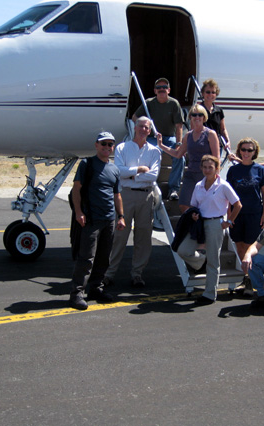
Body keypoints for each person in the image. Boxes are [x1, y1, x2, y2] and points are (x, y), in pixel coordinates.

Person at [69, 132, 126, 310]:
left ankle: (95, 288)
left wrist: (121, 216)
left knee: (103, 258)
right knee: (86, 258)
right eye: (104, 144)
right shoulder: (87, 164)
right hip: (91, 219)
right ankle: (76, 294)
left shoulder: (114, 169)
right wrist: (79, 212)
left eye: (110, 144)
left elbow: (117, 195)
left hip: (109, 220)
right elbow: (76, 189)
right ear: (96, 145)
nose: (107, 147)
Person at [103, 117, 161, 289]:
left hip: (146, 197)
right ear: (135, 128)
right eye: (141, 126)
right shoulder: (122, 147)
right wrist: (139, 170)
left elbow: (154, 175)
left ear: (149, 131)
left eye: (146, 127)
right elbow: (118, 172)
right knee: (119, 236)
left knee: (143, 238)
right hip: (126, 196)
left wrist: (132, 175)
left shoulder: (154, 151)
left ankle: (137, 274)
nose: (143, 129)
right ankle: (109, 273)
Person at [176, 154, 242, 305]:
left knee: (214, 261)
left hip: (215, 224)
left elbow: (237, 204)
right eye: (204, 167)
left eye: (210, 167)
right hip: (199, 224)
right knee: (182, 250)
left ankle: (209, 294)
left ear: (217, 168)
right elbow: (194, 205)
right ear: (201, 168)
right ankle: (200, 261)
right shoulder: (198, 185)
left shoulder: (223, 185)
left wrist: (229, 221)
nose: (207, 170)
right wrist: (193, 214)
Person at [226, 138, 264, 296]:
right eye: (243, 150)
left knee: (250, 248)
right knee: (239, 247)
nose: (246, 153)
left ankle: (252, 281)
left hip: (254, 214)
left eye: (249, 150)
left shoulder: (260, 170)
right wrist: (229, 217)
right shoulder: (233, 171)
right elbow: (228, 196)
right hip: (237, 216)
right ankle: (244, 279)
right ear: (239, 151)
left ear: (254, 152)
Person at [156, 104, 219, 213]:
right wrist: (161, 145)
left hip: (205, 174)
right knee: (184, 204)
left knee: (204, 206)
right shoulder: (188, 136)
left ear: (204, 117)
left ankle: (201, 228)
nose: (197, 117)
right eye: (194, 115)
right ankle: (192, 226)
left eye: (200, 115)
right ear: (190, 117)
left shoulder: (210, 134)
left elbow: (216, 158)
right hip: (190, 174)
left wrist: (214, 178)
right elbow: (178, 154)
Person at [132, 77, 184, 201]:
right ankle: (150, 185)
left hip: (169, 138)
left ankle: (173, 189)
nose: (162, 90)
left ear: (169, 90)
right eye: (159, 88)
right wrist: (145, 125)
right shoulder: (149, 103)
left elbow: (179, 126)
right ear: (155, 91)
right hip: (153, 137)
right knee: (152, 152)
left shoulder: (174, 104)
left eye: (164, 88)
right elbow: (135, 117)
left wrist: (178, 143)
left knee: (180, 157)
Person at [200, 78, 231, 152]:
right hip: (202, 145)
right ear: (203, 93)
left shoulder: (219, 110)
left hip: (216, 146)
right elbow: (193, 129)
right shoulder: (198, 109)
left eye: (213, 92)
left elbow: (222, 129)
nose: (210, 94)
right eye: (208, 92)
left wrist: (228, 141)